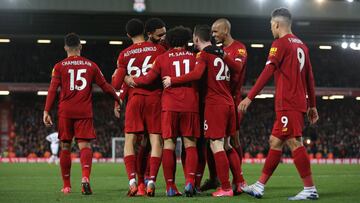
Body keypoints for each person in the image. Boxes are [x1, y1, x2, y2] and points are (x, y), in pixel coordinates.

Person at [238, 8, 319, 200]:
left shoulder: (280, 44)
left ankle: (309, 189)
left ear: (276, 24)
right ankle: (259, 186)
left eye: (270, 26)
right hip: (296, 101)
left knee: (294, 142)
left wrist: (250, 96)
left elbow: (268, 71)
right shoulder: (302, 45)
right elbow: (310, 78)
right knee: (275, 141)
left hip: (288, 102)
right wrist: (312, 105)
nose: (270, 29)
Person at [162, 24, 242, 197]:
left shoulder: (203, 54)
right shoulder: (220, 53)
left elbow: (197, 75)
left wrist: (173, 80)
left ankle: (226, 187)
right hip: (229, 102)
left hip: (214, 104)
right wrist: (225, 55)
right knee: (228, 144)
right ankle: (239, 182)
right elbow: (237, 68)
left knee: (216, 144)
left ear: (196, 39)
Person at [126, 26, 199, 197]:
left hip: (169, 106)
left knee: (169, 144)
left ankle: (170, 187)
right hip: (190, 104)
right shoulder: (195, 57)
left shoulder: (162, 58)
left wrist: (131, 80)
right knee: (190, 144)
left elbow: (149, 78)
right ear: (187, 40)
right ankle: (190, 182)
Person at [43, 33, 119, 195]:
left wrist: (46, 110)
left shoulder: (59, 66)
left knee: (65, 146)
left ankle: (66, 186)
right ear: (80, 47)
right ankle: (85, 177)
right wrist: (117, 98)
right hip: (84, 111)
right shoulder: (91, 65)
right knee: (85, 146)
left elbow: (52, 90)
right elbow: (105, 86)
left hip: (65, 111)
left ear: (65, 48)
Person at [112, 18, 166, 197]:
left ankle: (132, 181)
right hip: (155, 99)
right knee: (156, 141)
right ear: (144, 31)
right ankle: (151, 182)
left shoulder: (124, 54)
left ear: (128, 35)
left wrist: (123, 81)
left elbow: (116, 82)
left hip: (134, 100)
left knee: (130, 142)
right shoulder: (159, 49)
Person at [200, 18, 248, 194]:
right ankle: (228, 180)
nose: (213, 35)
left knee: (231, 141)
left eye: (215, 31)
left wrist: (222, 54)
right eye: (211, 32)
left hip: (232, 101)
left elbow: (238, 67)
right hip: (223, 99)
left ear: (225, 31)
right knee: (223, 142)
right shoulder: (217, 50)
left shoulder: (239, 47)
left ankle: (235, 182)